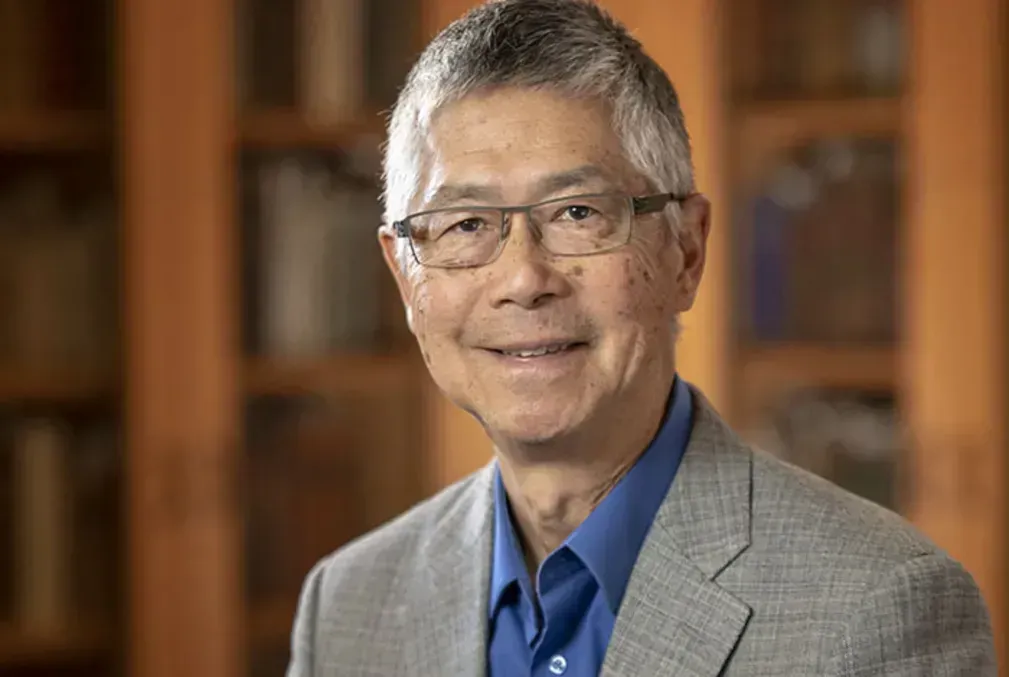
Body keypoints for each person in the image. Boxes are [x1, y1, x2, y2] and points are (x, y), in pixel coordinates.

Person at [286, 1, 996, 675]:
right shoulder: (349, 603)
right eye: (466, 224)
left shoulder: (877, 605)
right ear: (405, 275)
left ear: (685, 252)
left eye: (575, 212)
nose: (523, 278)